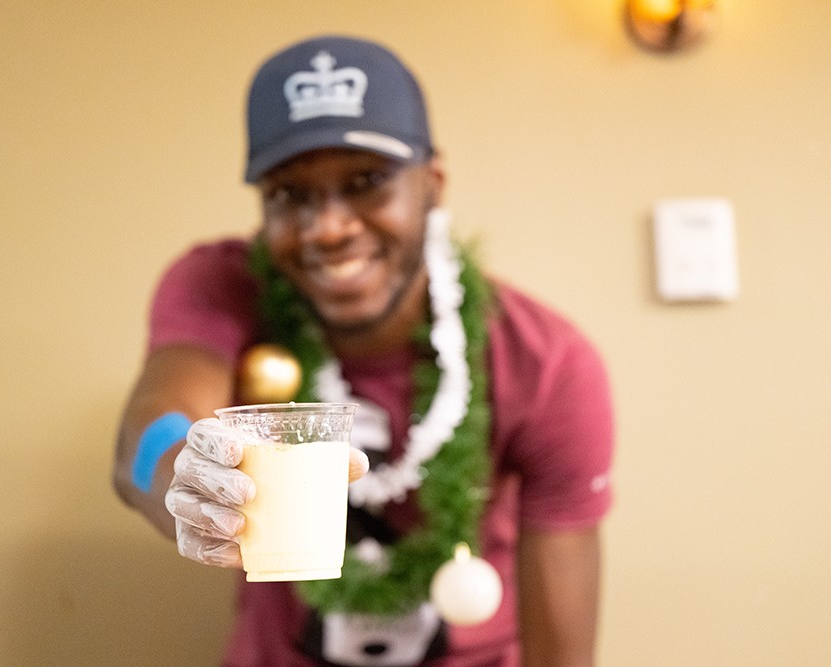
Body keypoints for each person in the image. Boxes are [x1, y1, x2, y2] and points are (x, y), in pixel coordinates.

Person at [113, 34, 614, 667]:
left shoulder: (544, 361)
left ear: (432, 183)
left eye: (366, 182)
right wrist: (181, 472)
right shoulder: (222, 285)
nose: (328, 227)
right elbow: (142, 443)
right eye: (289, 194)